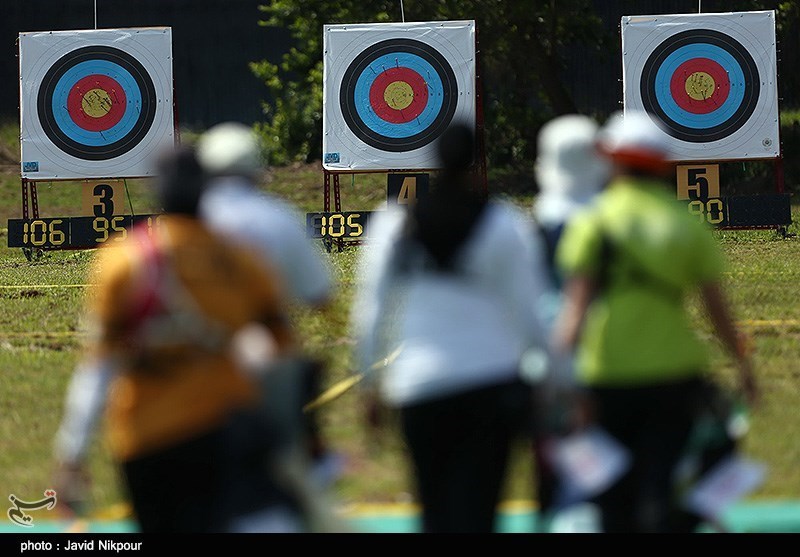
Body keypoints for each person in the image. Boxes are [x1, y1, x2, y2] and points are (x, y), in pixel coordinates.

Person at [51, 144, 311, 533]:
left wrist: (72, 451)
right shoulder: (240, 259)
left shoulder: (122, 260)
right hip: (222, 431)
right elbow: (279, 350)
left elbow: (100, 366)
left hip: (144, 438)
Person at [552, 110, 759, 533]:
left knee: (611, 495)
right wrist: (743, 367)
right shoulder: (686, 223)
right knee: (660, 486)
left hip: (605, 373)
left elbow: (574, 311)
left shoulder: (592, 221)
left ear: (612, 159)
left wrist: (557, 379)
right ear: (662, 165)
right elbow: (719, 312)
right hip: (674, 374)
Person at [350, 121, 555, 533]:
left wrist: (368, 382)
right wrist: (554, 376)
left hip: (419, 385)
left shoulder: (394, 225)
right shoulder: (504, 222)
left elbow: (370, 310)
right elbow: (533, 311)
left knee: (434, 505)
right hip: (492, 383)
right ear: (475, 159)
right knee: (481, 507)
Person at [196, 122, 339, 485]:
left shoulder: (188, 222)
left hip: (199, 353)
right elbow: (319, 294)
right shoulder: (278, 217)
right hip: (271, 349)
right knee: (288, 466)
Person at [529, 113, 611, 531]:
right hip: (611, 355)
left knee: (558, 463)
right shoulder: (614, 218)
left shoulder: (537, 224)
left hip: (554, 355)